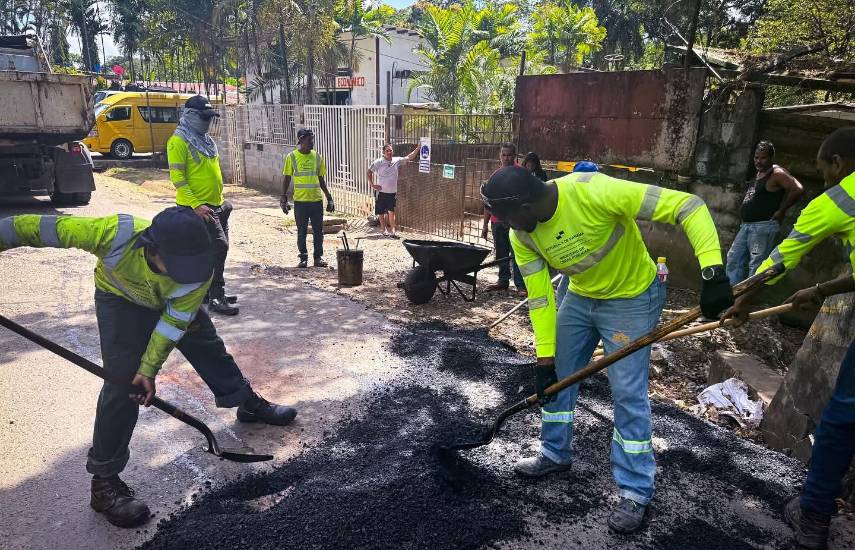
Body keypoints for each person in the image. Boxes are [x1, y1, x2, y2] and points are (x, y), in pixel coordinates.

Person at [0, 207, 297, 528]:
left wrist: (150, 369)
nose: (188, 274)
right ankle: (104, 482)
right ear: (152, 248)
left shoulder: (199, 270)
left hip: (168, 305)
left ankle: (244, 401)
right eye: (179, 267)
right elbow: (28, 227)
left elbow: (173, 324)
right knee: (123, 383)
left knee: (208, 347)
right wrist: (139, 374)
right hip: (120, 299)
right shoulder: (114, 234)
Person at [481, 166, 733, 534]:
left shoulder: (594, 191)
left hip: (631, 297)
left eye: (504, 217)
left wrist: (712, 272)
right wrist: (545, 359)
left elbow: (689, 206)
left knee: (627, 393)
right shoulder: (524, 234)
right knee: (557, 381)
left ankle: (635, 490)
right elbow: (540, 300)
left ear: (525, 205)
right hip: (582, 296)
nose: (502, 225)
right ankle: (554, 453)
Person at [722, 127, 855, 550]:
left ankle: (814, 514)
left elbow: (779, 261)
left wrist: (743, 304)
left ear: (836, 162)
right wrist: (823, 290)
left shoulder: (838, 197)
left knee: (845, 415)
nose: (825, 179)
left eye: (823, 170)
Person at [167, 95, 238, 316]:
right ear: (190, 116)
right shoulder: (178, 141)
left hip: (216, 205)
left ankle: (210, 292)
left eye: (210, 117)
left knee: (214, 250)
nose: (207, 122)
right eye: (203, 117)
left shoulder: (206, 141)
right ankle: (216, 296)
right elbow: (178, 179)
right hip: (197, 208)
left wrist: (222, 202)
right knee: (219, 248)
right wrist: (196, 204)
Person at [726, 141, 804, 285]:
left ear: (771, 157)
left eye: (763, 158)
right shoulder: (760, 172)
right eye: (756, 157)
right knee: (733, 258)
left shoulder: (777, 173)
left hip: (762, 227)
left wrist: (782, 211)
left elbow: (798, 189)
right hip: (747, 226)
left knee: (756, 265)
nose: (758, 161)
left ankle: (745, 301)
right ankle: (732, 296)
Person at [279, 128, 335, 268]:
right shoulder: (291, 157)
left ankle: (318, 257)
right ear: (301, 140)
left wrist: (329, 198)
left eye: (312, 139)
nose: (312, 142)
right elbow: (287, 178)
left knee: (318, 231)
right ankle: (303, 258)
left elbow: (321, 179)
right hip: (301, 202)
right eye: (309, 139)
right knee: (302, 231)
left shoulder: (317, 157)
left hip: (316, 201)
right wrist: (283, 198)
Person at [481, 143, 526, 293]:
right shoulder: (496, 175)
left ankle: (520, 285)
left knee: (517, 253)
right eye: (503, 155)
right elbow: (488, 201)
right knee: (501, 253)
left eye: (509, 155)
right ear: (500, 156)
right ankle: (503, 280)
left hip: (514, 222)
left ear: (515, 156)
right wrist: (485, 225)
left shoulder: (521, 174)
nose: (506, 158)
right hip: (496, 221)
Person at [367, 143, 419, 238]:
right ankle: (383, 229)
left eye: (390, 150)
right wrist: (372, 185)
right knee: (381, 212)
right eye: (387, 150)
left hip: (392, 192)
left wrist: (418, 148)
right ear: (383, 152)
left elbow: (409, 157)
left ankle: (393, 231)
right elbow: (369, 171)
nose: (389, 152)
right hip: (381, 192)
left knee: (391, 212)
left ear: (392, 151)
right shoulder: (379, 162)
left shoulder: (396, 160)